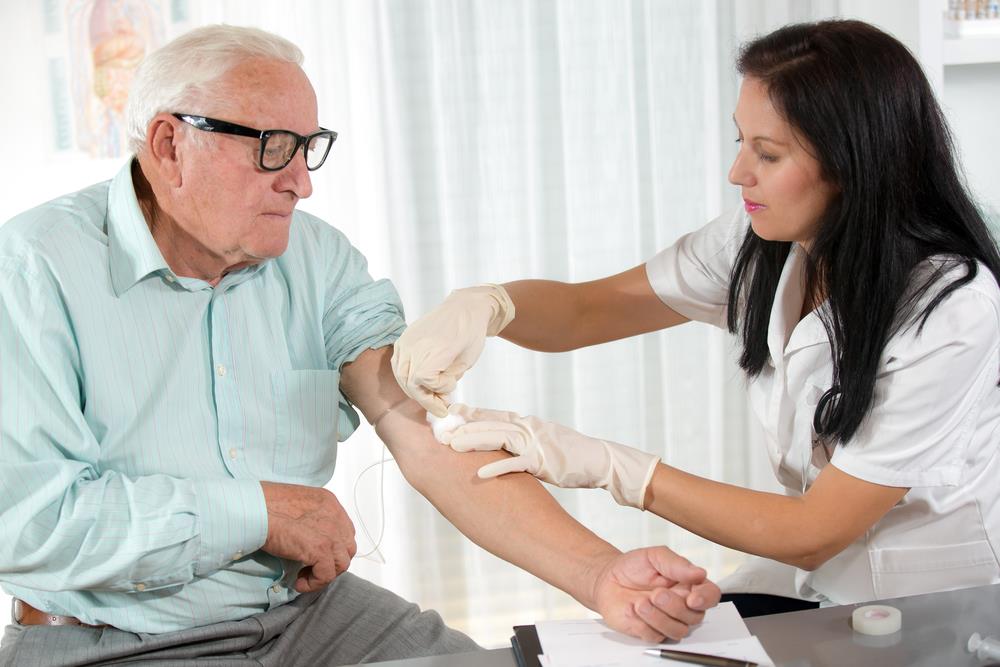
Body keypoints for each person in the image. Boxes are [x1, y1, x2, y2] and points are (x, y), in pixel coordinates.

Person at [0, 25, 721, 666]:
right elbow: (25, 520)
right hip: (106, 637)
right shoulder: (32, 271)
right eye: (272, 149)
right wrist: (258, 512)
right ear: (169, 145)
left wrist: (599, 574)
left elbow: (429, 437)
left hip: (308, 619)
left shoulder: (315, 259)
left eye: (309, 148)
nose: (303, 182)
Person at [392, 19, 1000, 618]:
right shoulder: (763, 240)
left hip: (932, 599)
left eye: (768, 153)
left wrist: (613, 467)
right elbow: (586, 311)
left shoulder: (949, 308)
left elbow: (816, 530)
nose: (738, 173)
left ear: (853, 163)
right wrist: (490, 306)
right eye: (741, 141)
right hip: (819, 577)